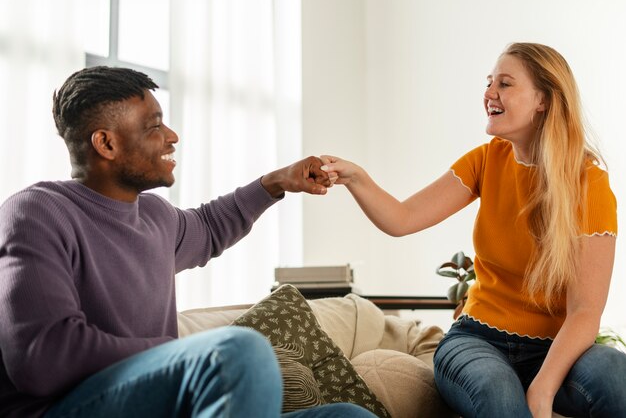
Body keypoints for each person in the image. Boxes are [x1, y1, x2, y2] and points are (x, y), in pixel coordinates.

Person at [0, 66, 376, 418]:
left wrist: (279, 181)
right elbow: (43, 357)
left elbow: (211, 225)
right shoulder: (36, 213)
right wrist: (181, 354)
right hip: (65, 408)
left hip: (153, 404)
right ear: (106, 144)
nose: (172, 136)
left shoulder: (154, 216)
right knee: (235, 351)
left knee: (347, 415)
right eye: (154, 126)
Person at [319, 42, 626, 417]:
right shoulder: (486, 160)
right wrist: (356, 178)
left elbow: (584, 312)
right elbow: (402, 218)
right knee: (497, 391)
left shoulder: (588, 183)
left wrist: (542, 391)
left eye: (505, 84)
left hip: (554, 347)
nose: (489, 93)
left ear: (543, 100)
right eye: (489, 82)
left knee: (615, 375)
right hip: (477, 340)